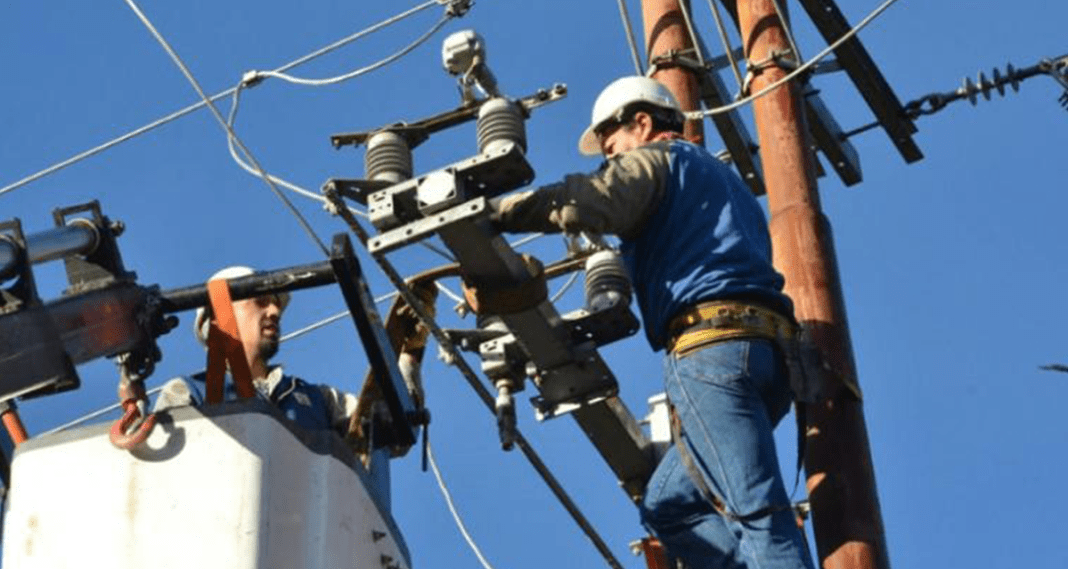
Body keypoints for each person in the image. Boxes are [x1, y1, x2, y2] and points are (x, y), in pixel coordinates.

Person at [491, 77, 814, 569]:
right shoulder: (724, 182)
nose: (608, 159)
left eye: (611, 145)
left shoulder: (659, 161)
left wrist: (496, 213)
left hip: (711, 351)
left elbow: (594, 199)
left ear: (641, 123)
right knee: (669, 505)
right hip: (769, 359)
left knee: (759, 512)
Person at [154, 266, 357, 434]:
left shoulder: (323, 400)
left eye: (276, 304)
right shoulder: (188, 392)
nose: (275, 311)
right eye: (260, 301)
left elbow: (372, 425)